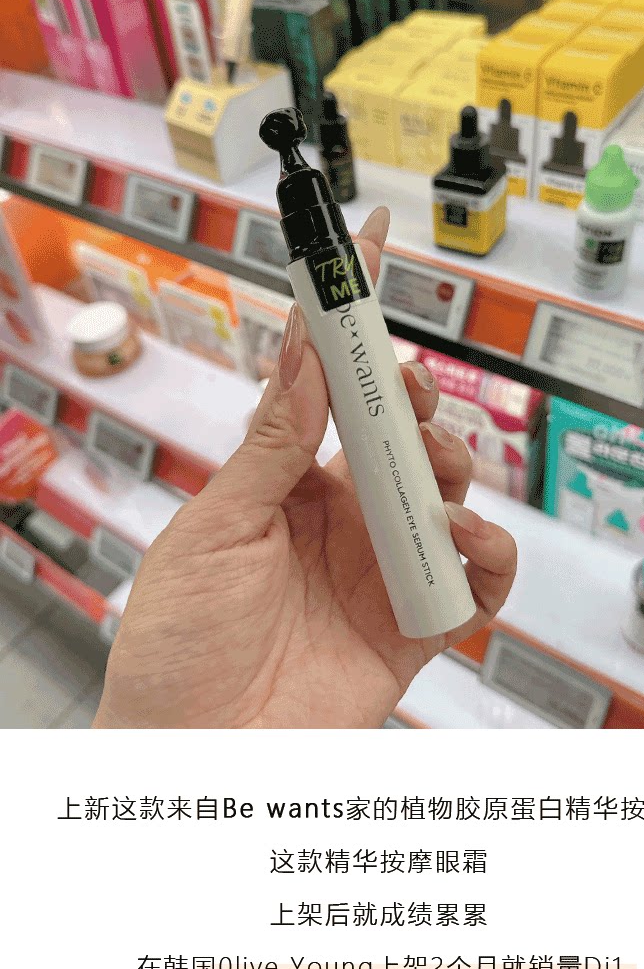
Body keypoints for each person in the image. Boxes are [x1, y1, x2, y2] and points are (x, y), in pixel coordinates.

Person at [94, 209, 517, 729]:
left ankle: (429, 589)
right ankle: (426, 588)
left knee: (410, 431)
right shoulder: (326, 272)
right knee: (399, 421)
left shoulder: (333, 270)